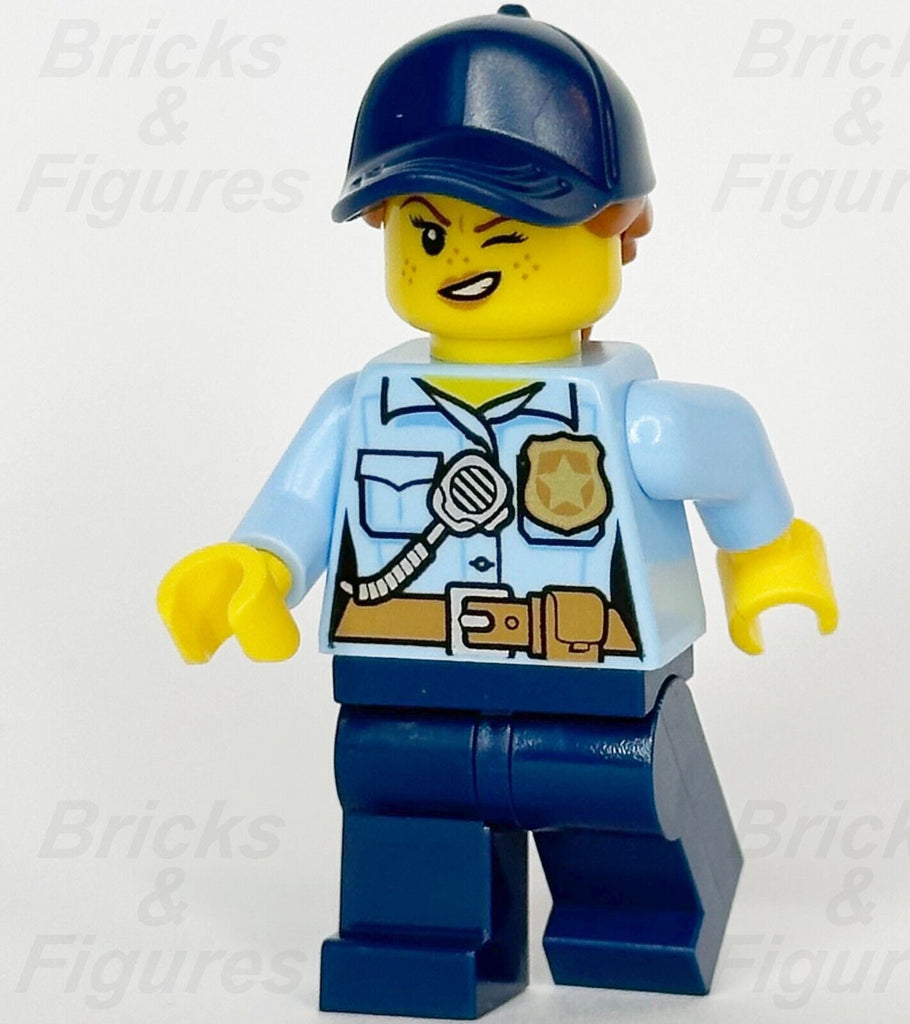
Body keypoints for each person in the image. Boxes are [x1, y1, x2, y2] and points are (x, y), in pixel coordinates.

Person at [158, 7, 837, 1018]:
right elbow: (299, 505)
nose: (460, 261)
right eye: (428, 232)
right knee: (403, 801)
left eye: (509, 230)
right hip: (403, 675)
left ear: (623, 230)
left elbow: (730, 456)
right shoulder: (365, 406)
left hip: (591, 680)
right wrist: (256, 565)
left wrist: (769, 561)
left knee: (618, 806)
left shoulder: (637, 416)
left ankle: (633, 927)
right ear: (386, 232)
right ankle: (421, 944)